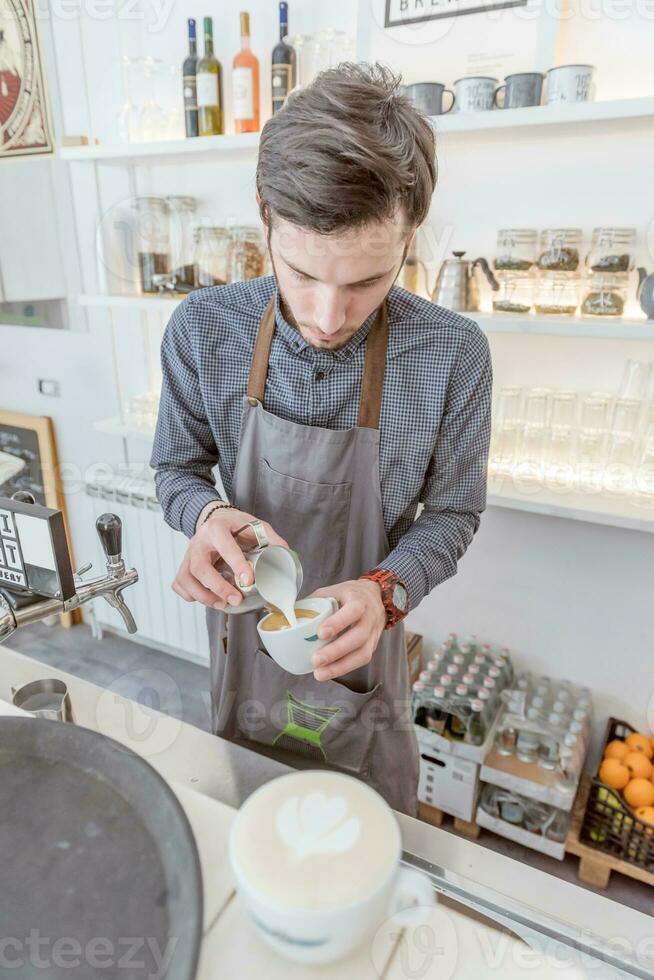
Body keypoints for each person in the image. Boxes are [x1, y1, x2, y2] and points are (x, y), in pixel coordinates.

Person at [150, 63, 492, 817]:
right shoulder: (205, 330)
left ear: (410, 236)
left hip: (366, 657)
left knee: (367, 843)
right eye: (302, 273)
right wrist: (205, 520)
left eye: (367, 281)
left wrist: (384, 592)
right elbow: (176, 468)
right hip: (247, 647)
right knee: (247, 825)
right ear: (264, 215)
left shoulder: (451, 353)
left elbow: (454, 514)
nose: (329, 314)